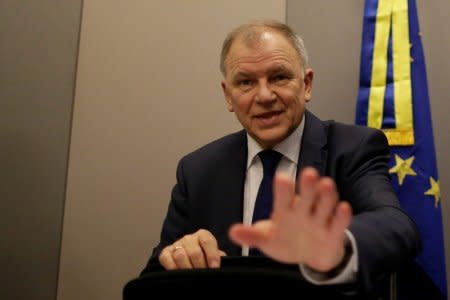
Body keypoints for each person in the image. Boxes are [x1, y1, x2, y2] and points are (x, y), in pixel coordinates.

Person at [141, 20, 420, 295]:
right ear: (228, 96)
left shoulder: (353, 148)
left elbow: (397, 227)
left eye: (279, 77)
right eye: (246, 82)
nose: (264, 95)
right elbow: (153, 275)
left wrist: (335, 245)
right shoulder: (198, 170)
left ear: (306, 84)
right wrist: (179, 254)